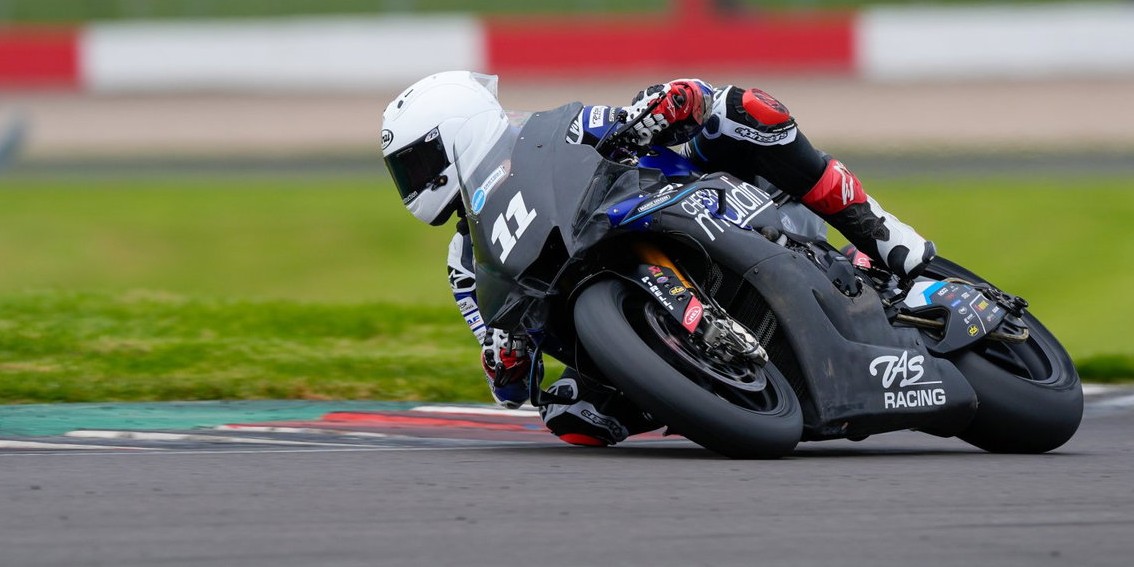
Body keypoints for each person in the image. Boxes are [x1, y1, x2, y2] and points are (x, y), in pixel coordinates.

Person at [381, 70, 934, 447]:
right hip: (601, 291)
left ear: (458, 131)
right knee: (573, 416)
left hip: (686, 204)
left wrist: (665, 106)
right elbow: (507, 383)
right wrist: (503, 354)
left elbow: (660, 109)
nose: (412, 182)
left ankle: (880, 234)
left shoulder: (552, 134)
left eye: (416, 162)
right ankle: (709, 391)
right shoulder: (465, 263)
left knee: (742, 110)